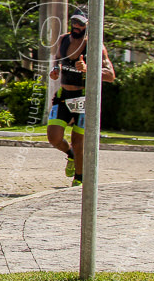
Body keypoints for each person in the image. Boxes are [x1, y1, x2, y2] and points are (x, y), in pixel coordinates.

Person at [46, 11, 115, 186]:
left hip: (84, 98)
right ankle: (70, 155)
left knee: (79, 141)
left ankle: (79, 179)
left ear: (88, 25)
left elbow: (110, 75)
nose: (77, 27)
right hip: (63, 95)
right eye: (74, 23)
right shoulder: (63, 40)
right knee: (53, 137)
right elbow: (57, 61)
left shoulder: (95, 46)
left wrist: (87, 69)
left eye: (81, 24)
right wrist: (55, 71)